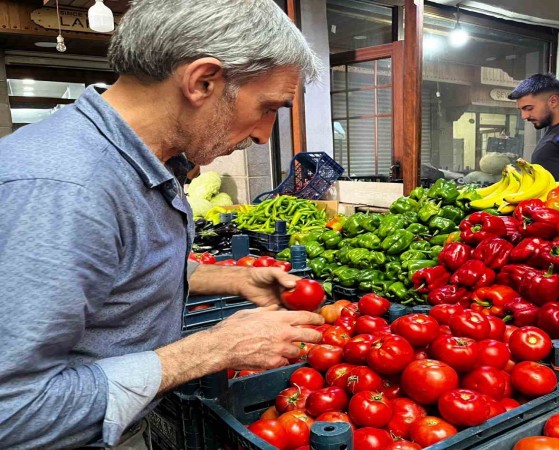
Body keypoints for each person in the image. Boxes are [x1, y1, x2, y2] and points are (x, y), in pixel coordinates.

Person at [0, 0, 325, 448]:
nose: (264, 135)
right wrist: (214, 349)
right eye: (269, 108)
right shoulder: (65, 191)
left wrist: (233, 278)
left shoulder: (140, 162)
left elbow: (115, 269)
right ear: (202, 81)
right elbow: (12, 412)